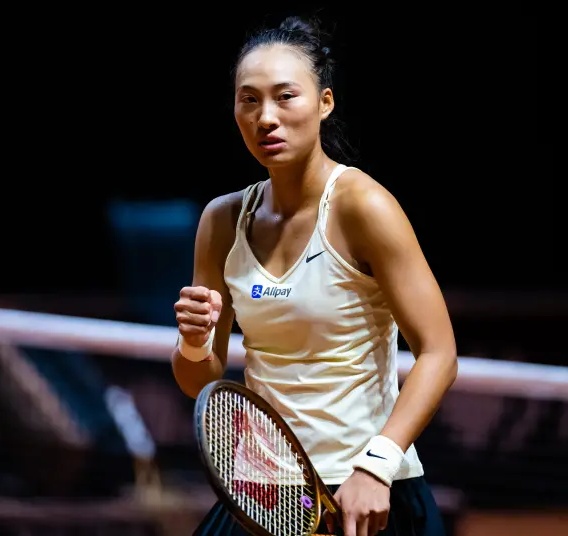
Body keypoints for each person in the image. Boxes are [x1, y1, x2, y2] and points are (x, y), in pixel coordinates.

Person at [172, 14, 457, 536]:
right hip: (266, 498)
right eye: (249, 99)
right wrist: (193, 343)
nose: (265, 118)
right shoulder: (221, 220)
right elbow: (201, 383)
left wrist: (378, 463)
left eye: (286, 97)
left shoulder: (363, 207)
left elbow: (439, 353)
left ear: (325, 103)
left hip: (365, 491)